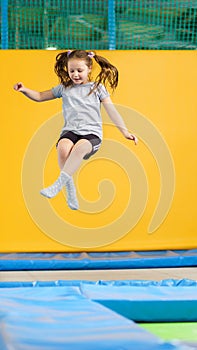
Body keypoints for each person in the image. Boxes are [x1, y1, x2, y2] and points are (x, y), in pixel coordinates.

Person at [14, 49, 138, 210]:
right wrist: (24, 90)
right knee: (63, 148)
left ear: (89, 69)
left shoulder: (97, 88)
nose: (75, 74)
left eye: (80, 70)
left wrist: (125, 132)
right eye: (72, 70)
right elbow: (39, 96)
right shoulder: (64, 88)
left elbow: (112, 112)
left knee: (79, 148)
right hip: (70, 131)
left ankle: (58, 184)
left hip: (91, 134)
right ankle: (70, 190)